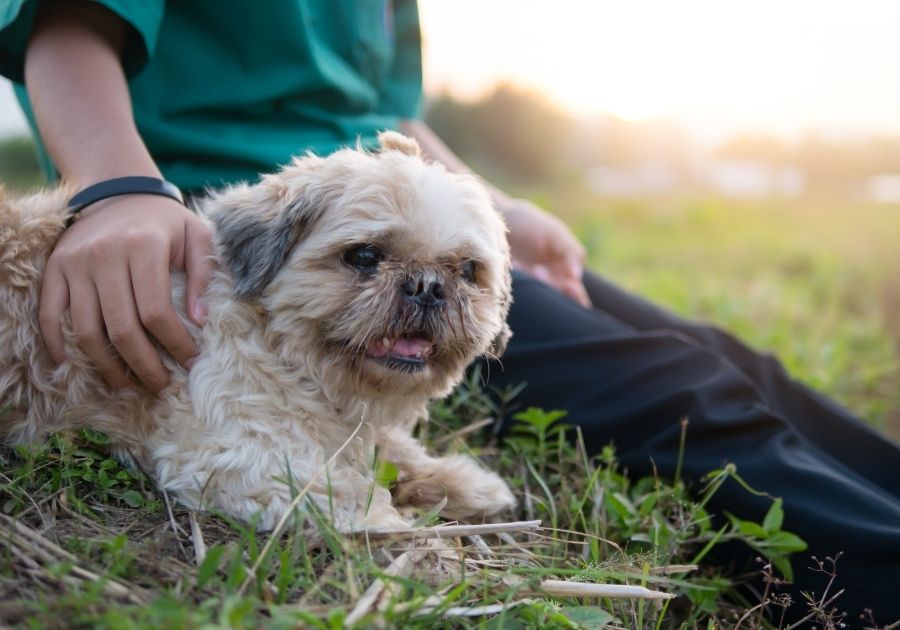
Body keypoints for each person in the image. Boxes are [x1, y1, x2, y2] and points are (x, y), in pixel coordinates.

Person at [1, 0, 898, 620]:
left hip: (389, 195)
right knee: (684, 393)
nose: (427, 296)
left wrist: (496, 214)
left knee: (720, 355)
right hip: (197, 203)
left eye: (463, 279)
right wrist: (119, 190)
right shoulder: (239, 252)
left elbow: (380, 111)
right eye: (378, 272)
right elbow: (66, 22)